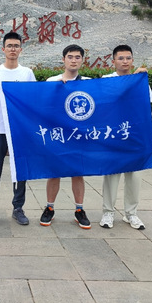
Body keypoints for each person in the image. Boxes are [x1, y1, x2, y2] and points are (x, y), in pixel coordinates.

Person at [100, 44, 152, 230]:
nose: (125, 61)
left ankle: (131, 214)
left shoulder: (141, 82)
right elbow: (114, 97)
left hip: (136, 135)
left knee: (135, 176)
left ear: (132, 60)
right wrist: (134, 77)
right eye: (121, 58)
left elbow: (147, 111)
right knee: (112, 175)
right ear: (113, 61)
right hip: (114, 135)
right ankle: (108, 212)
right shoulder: (107, 80)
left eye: (128, 58)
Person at [0, 32, 36, 227]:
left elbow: (33, 100)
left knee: (20, 171)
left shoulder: (27, 73)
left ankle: (18, 208)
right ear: (3, 49)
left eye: (16, 46)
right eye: (9, 46)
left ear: (21, 49)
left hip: (19, 130)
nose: (13, 49)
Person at [40, 44, 92, 229]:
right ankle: (49, 207)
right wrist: (56, 89)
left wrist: (137, 75)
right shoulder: (52, 81)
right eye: (70, 57)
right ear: (63, 59)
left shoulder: (88, 82)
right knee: (54, 173)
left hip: (78, 135)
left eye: (77, 57)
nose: (74, 60)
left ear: (82, 60)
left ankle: (79, 210)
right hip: (58, 135)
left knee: (77, 173)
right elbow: (43, 105)